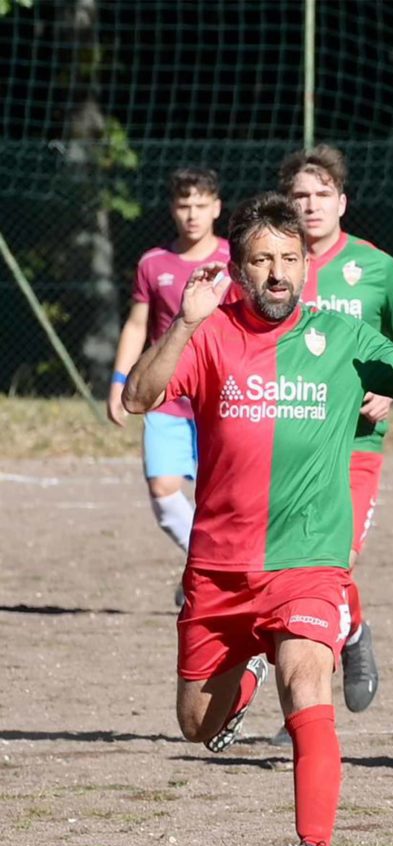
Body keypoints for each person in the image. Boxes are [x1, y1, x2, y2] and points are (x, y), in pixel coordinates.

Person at [121, 192, 393, 846]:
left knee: (306, 683)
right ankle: (243, 673)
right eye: (261, 260)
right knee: (195, 725)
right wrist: (184, 323)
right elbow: (139, 398)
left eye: (289, 258)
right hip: (218, 567)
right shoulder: (210, 334)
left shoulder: (341, 335)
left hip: (308, 561)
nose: (277, 272)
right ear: (238, 268)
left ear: (307, 264)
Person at [278, 144, 393, 714]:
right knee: (292, 567)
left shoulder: (377, 268)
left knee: (336, 561)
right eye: (300, 195)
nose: (311, 205)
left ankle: (313, 696)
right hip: (286, 444)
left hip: (355, 445)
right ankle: (351, 631)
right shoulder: (273, 265)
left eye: (322, 194)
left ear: (342, 201)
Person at [106, 168, 228, 606]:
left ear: (217, 208)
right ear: (172, 209)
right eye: (183, 205)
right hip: (166, 398)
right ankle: (209, 562)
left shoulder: (235, 259)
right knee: (163, 490)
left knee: (224, 499)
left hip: (222, 398)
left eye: (201, 205)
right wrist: (119, 381)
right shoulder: (152, 263)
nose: (192, 214)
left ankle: (209, 569)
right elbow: (137, 326)